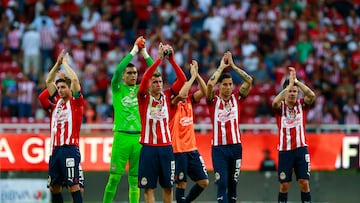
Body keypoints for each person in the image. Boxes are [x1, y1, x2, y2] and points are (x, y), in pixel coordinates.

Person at [103, 36, 154, 203]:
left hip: (139, 139)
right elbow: (117, 71)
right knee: (114, 179)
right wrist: (134, 51)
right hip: (121, 137)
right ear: (124, 76)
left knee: (135, 182)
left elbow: (156, 74)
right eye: (129, 73)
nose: (133, 75)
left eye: (135, 73)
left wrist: (145, 53)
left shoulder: (142, 90)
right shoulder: (118, 89)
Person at [137, 43, 187, 203]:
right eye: (155, 82)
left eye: (160, 82)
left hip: (166, 148)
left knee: (168, 187)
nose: (158, 84)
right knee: (148, 187)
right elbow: (145, 77)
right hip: (148, 149)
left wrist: (171, 60)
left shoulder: (167, 96)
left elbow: (183, 80)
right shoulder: (143, 98)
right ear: (149, 85)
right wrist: (158, 59)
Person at [38, 50, 85, 203]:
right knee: (54, 187)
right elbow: (48, 81)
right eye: (59, 88)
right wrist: (57, 65)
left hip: (69, 148)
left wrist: (65, 65)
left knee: (74, 186)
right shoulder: (56, 104)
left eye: (63, 87)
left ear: (70, 89)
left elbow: (76, 80)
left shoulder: (76, 103)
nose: (60, 90)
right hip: (55, 151)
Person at [206, 51, 253, 203]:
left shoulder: (237, 98)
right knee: (222, 183)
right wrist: (221, 67)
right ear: (219, 86)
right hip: (219, 149)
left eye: (230, 84)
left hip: (236, 147)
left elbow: (249, 80)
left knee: (233, 186)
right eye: (224, 84)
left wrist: (233, 66)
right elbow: (209, 84)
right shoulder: (212, 101)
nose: (227, 87)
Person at [272, 67, 315, 203]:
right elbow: (274, 102)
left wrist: (296, 82)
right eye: (290, 91)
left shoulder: (302, 105)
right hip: (285, 151)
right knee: (284, 185)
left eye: (295, 91)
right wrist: (289, 85)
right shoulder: (280, 107)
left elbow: (311, 95)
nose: (292, 94)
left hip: (301, 149)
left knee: (304, 182)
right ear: (284, 92)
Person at [169, 60, 209, 203]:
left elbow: (205, 91)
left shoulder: (190, 101)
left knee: (204, 181)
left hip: (192, 149)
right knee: (181, 183)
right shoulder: (172, 103)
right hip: (178, 151)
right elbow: (181, 95)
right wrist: (191, 78)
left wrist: (197, 75)